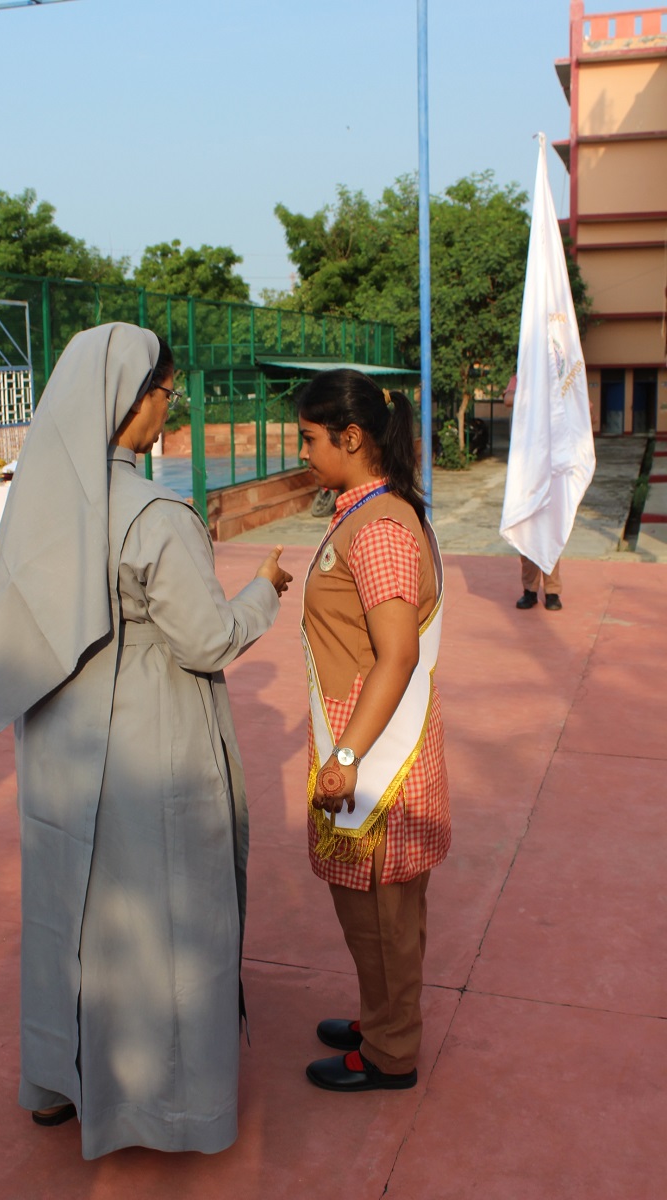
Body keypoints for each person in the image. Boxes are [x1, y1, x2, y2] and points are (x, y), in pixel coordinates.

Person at [0, 323, 292, 1160]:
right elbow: (206, 640)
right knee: (162, 920)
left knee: (69, 918)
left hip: (59, 742)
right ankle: (164, 1106)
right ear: (134, 399)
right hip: (149, 739)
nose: (168, 409)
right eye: (165, 393)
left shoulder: (41, 504)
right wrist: (264, 590)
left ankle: (60, 1081)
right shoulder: (156, 514)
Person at [297, 369, 450, 1093]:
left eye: (310, 439)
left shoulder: (380, 528)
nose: (303, 453)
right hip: (364, 744)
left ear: (351, 437)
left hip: (378, 757)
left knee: (383, 911)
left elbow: (398, 654)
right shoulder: (365, 512)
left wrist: (350, 754)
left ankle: (391, 1053)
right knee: (369, 908)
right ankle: (380, 1017)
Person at [503, 373, 562, 610]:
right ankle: (529, 590)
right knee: (526, 532)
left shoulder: (555, 376)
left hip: (551, 466)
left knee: (550, 532)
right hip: (526, 468)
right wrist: (535, 393)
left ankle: (553, 592)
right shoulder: (521, 377)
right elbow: (508, 400)